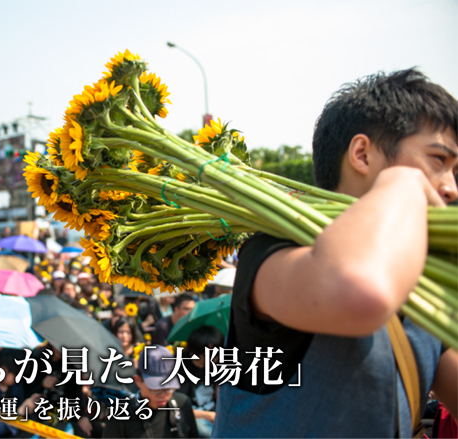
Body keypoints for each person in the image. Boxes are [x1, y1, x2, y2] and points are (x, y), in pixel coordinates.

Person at [213, 68, 458, 437]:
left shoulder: (426, 279)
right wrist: (402, 182)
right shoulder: (272, 252)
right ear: (362, 154)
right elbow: (359, 290)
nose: (451, 187)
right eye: (438, 161)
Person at [102, 345, 198, 438]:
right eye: (156, 390)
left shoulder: (182, 403)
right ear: (138, 381)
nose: (163, 395)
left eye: (169, 388)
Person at [178, 326, 224, 438]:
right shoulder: (179, 368)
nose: (215, 358)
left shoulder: (219, 364)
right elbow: (179, 408)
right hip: (192, 417)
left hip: (215, 414)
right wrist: (207, 415)